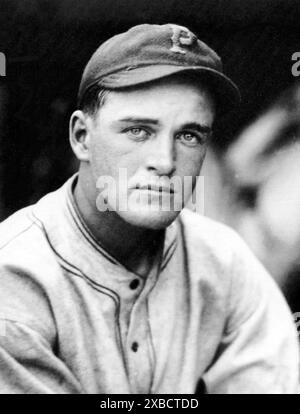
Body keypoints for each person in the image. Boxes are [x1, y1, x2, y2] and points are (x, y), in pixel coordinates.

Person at [0, 23, 298, 394]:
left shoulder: (226, 259)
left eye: (189, 135)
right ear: (81, 138)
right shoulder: (13, 276)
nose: (165, 161)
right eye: (138, 130)